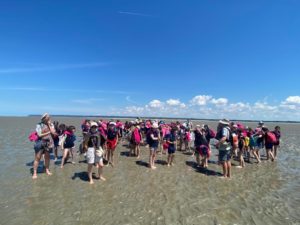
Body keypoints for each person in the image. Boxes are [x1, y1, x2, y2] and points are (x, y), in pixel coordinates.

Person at [32, 113, 57, 179]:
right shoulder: (39, 125)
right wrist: (49, 132)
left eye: (49, 116)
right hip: (40, 142)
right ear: (43, 118)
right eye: (47, 117)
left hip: (49, 143)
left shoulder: (51, 124)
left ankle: (47, 170)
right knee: (37, 158)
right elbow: (39, 135)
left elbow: (54, 133)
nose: (49, 117)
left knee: (47, 157)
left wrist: (49, 124)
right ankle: (34, 173)